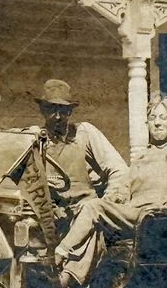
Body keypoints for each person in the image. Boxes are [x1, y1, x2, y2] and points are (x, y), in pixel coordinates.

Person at [55, 97, 167, 288]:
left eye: (163, 118)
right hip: (132, 215)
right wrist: (110, 200)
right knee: (91, 215)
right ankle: (66, 281)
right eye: (152, 117)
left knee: (93, 208)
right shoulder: (142, 157)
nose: (157, 122)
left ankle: (59, 254)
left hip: (157, 217)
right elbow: (122, 188)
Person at [20, 79, 128, 215]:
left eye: (63, 110)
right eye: (52, 110)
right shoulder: (33, 137)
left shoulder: (84, 133)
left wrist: (107, 203)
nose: (58, 116)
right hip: (49, 215)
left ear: (70, 112)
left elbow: (119, 171)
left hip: (85, 212)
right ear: (42, 110)